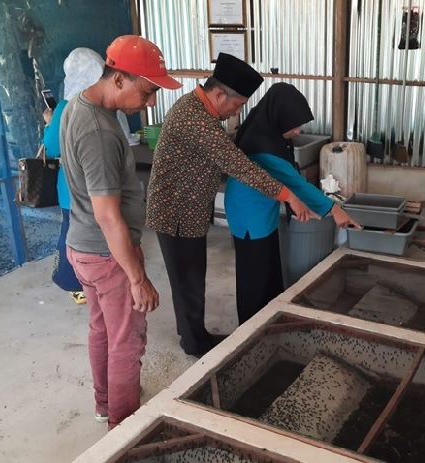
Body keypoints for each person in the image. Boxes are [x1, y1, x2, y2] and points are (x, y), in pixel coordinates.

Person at [146, 53, 318, 357]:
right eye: (236, 105)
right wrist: (288, 195)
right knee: (187, 280)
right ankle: (195, 344)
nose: (235, 113)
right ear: (219, 93)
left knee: (191, 279)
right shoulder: (197, 120)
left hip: (190, 211)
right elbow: (240, 166)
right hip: (176, 213)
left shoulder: (200, 109)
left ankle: (193, 335)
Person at [60, 35, 180, 430]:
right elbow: (109, 216)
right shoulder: (99, 132)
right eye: (146, 92)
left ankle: (104, 403)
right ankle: (123, 429)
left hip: (81, 247)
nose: (148, 104)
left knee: (101, 327)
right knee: (126, 342)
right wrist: (138, 277)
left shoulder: (77, 105)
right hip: (106, 253)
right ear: (118, 79)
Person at [226, 83, 361, 324]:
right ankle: (248, 330)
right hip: (249, 215)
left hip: (259, 210)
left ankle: (271, 318)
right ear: (279, 116)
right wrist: (335, 209)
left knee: (269, 269)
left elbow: (289, 181)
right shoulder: (262, 147)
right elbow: (295, 183)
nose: (298, 131)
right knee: (254, 277)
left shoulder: (263, 130)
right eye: (294, 124)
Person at [42, 47, 107, 305]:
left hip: (71, 188)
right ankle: (99, 278)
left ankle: (75, 283)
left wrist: (49, 122)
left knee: (72, 234)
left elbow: (51, 147)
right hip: (101, 185)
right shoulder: (102, 102)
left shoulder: (65, 107)